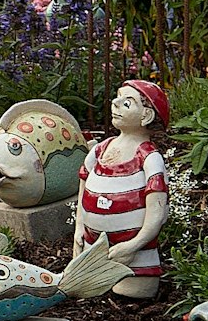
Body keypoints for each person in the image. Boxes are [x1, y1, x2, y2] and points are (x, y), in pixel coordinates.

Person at [72, 79, 171, 299]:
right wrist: (79, 228)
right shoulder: (100, 149)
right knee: (86, 290)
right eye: (117, 97)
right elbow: (83, 185)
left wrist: (133, 245)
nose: (115, 103)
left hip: (135, 257)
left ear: (146, 116)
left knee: (128, 295)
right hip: (92, 247)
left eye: (126, 103)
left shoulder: (149, 158)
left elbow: (157, 213)